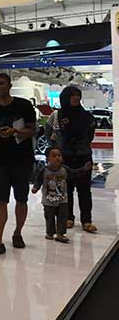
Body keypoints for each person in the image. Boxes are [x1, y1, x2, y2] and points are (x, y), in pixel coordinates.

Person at [0, 73, 37, 256]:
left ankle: (18, 233)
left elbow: (33, 130)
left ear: (9, 85)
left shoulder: (24, 105)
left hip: (22, 159)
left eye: (1, 83)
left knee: (21, 199)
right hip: (0, 161)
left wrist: (15, 132)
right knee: (0, 201)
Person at [51, 86, 98, 233]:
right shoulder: (57, 116)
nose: (76, 98)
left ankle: (86, 220)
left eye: (78, 95)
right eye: (72, 95)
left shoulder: (87, 117)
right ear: (65, 97)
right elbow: (49, 134)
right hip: (64, 157)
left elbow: (90, 136)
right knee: (66, 189)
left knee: (84, 190)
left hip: (83, 156)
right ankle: (67, 218)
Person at [32, 147, 74, 244]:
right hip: (48, 200)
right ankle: (50, 233)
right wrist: (35, 187)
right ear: (48, 159)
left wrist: (84, 169)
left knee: (62, 217)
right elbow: (38, 180)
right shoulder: (44, 170)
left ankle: (61, 234)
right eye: (54, 156)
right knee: (49, 217)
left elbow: (74, 173)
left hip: (62, 199)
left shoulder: (65, 169)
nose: (57, 158)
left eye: (59, 155)